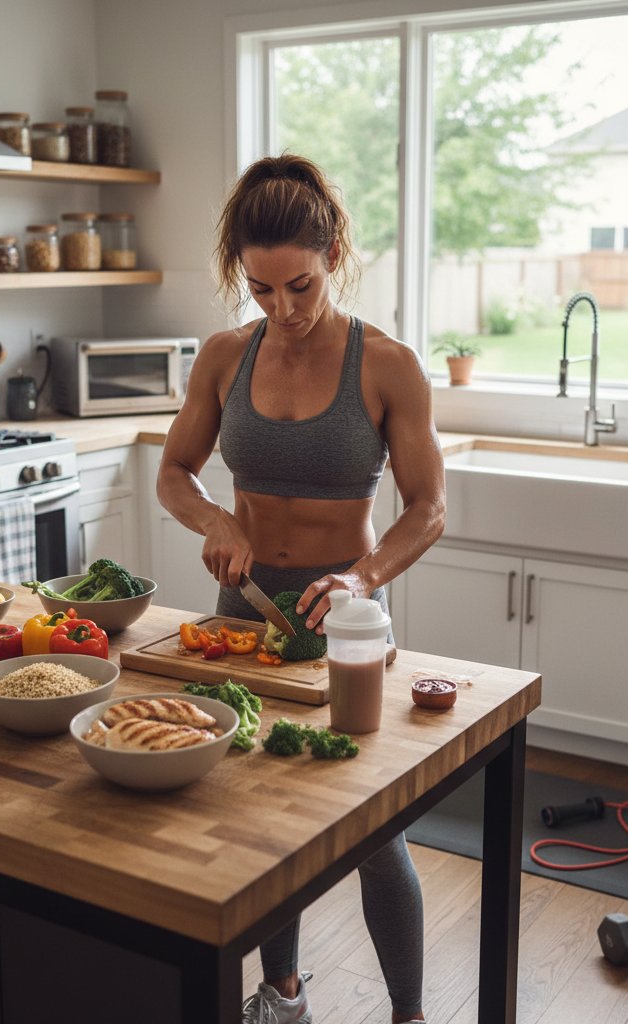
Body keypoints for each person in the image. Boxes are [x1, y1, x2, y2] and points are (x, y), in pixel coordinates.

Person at [156, 153, 446, 1024]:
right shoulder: (221, 357)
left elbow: (428, 507)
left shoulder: (387, 365)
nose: (282, 310)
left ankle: (409, 1016)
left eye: (301, 288)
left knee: (371, 828)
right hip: (238, 619)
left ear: (334, 257)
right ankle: (282, 997)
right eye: (260, 290)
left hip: (343, 622)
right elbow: (174, 471)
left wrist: (363, 576)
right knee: (256, 822)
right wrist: (214, 520)